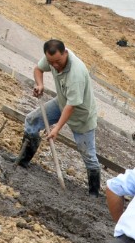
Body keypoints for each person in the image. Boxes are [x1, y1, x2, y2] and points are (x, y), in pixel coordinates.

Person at [18, 39, 102, 194]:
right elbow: (38, 69)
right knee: (32, 120)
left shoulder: (76, 74)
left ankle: (94, 193)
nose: (55, 65)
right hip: (62, 102)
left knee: (88, 154)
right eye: (51, 62)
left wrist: (56, 128)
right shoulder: (52, 57)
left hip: (81, 114)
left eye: (58, 61)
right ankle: (22, 162)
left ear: (65, 53)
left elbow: (72, 106)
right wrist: (40, 84)